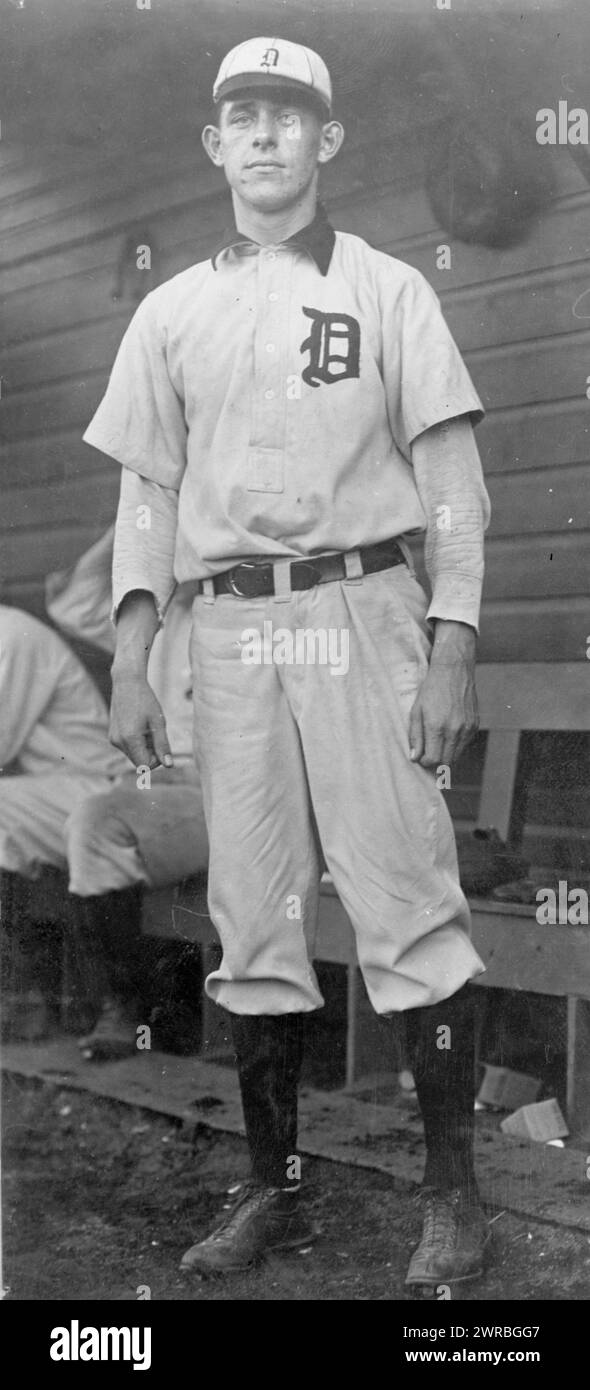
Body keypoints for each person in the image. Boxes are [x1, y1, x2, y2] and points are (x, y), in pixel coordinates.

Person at [83, 36, 492, 1290]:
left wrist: (452, 643)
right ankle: (273, 1188)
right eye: (242, 116)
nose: (264, 136)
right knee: (251, 917)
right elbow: (147, 493)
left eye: (289, 116)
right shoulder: (171, 310)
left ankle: (453, 1201)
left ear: (328, 142)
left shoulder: (385, 289)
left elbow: (452, 489)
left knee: (407, 907)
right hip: (229, 631)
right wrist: (134, 648)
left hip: (362, 610)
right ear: (215, 144)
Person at [46, 530, 209, 1058]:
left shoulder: (246, 605)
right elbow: (74, 600)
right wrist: (138, 514)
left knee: (96, 825)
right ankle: (131, 1007)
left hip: (221, 791)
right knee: (88, 821)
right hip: (157, 793)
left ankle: (125, 1006)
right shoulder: (152, 617)